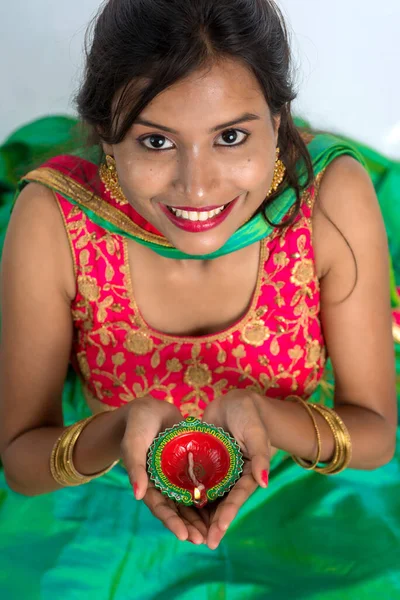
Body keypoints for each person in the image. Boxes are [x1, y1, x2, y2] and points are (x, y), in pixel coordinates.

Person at [1, 0, 400, 598]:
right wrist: (115, 433)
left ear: (279, 119)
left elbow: (373, 434)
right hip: (113, 487)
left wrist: (269, 420)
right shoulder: (55, 220)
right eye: (156, 141)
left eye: (231, 136)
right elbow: (23, 462)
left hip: (301, 482)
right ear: (108, 140)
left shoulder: (328, 202)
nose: (198, 186)